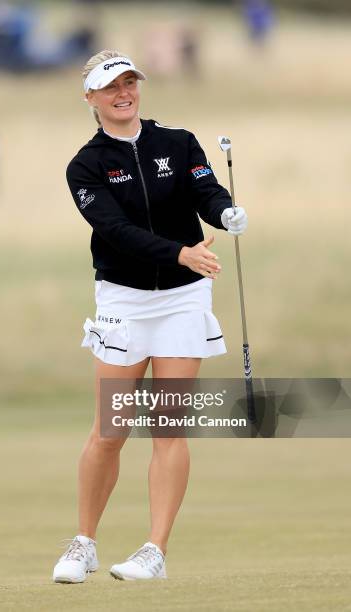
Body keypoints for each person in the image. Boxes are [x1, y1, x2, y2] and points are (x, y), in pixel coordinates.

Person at [52, 49, 248, 583]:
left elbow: (203, 188)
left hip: (184, 299)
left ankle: (154, 551)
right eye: (111, 85)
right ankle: (85, 542)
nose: (124, 92)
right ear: (91, 98)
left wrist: (223, 208)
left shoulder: (178, 142)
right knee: (111, 430)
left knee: (167, 428)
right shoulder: (86, 166)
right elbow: (115, 231)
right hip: (123, 300)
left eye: (131, 81)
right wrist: (181, 253)